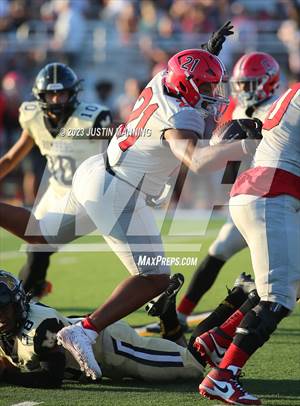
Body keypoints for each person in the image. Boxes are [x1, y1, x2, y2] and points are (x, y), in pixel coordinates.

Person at [0, 23, 262, 380]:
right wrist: (244, 146)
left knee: (42, 235)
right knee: (154, 278)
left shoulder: (162, 79)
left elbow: (179, 71)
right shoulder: (180, 115)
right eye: (205, 87)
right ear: (185, 86)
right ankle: (85, 330)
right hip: (119, 190)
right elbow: (198, 162)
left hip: (99, 172)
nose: (212, 94)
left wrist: (207, 52)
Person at [197, 82, 300, 405]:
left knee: (292, 280)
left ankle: (220, 336)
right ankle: (224, 376)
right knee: (278, 296)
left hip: (266, 191)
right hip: (271, 195)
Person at [0, 270, 255, 388]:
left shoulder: (40, 327)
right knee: (180, 351)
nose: (0, 317)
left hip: (116, 350)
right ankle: (167, 315)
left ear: (18, 304)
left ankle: (243, 297)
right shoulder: (9, 332)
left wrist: (8, 375)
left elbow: (51, 378)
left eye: (3, 308)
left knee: (194, 364)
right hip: (101, 350)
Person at [176, 52, 280, 326]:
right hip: (250, 196)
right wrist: (228, 190)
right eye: (242, 84)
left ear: (269, 82)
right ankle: (181, 313)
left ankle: (231, 325)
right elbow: (234, 159)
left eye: (250, 84)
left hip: (278, 199)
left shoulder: (279, 110)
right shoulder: (237, 111)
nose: (244, 89)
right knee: (218, 251)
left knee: (273, 276)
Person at [0, 62, 112, 299]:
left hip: (85, 196)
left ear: (73, 93)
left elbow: (117, 151)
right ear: (41, 95)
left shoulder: (92, 119)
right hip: (55, 191)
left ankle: (24, 301)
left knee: (39, 248)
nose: (57, 99)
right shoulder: (32, 117)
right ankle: (34, 292)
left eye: (62, 93)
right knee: (36, 250)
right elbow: (11, 158)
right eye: (52, 94)